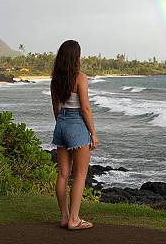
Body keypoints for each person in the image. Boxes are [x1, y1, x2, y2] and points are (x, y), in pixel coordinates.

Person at [50, 39, 99, 230]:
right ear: (75, 57)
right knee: (80, 175)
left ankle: (64, 217)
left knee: (62, 174)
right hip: (76, 125)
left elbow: (56, 108)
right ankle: (74, 219)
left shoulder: (55, 80)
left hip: (61, 124)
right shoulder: (80, 77)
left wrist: (62, 125)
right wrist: (93, 134)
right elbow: (85, 108)